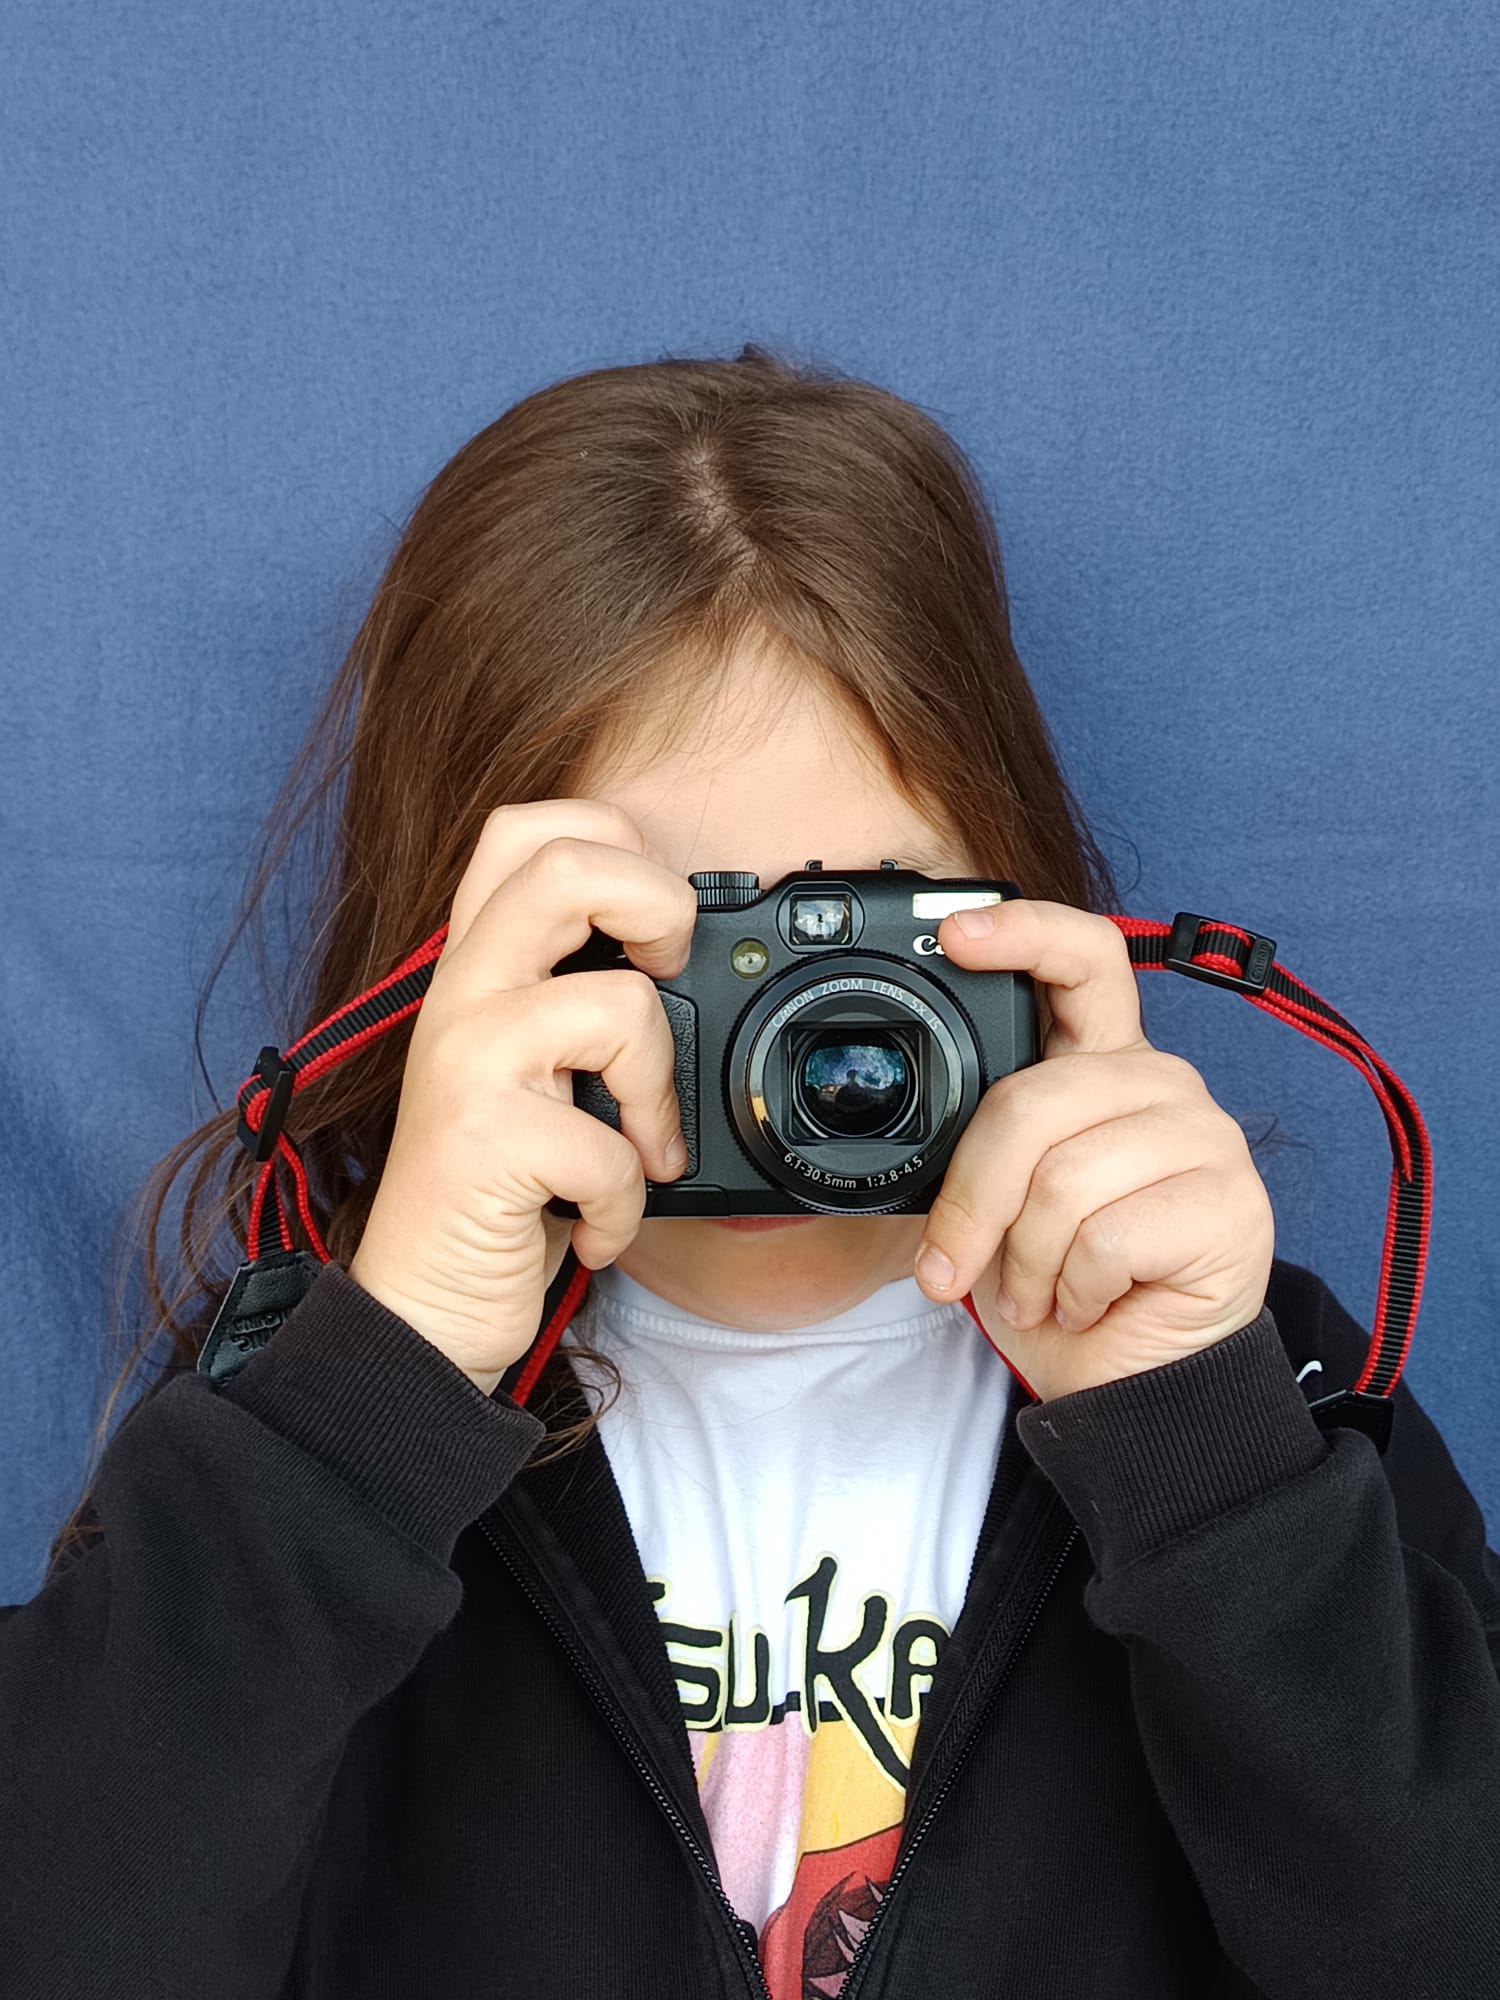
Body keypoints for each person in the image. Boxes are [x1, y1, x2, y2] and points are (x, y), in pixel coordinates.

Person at [3, 344, 1497, 2000]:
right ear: (460, 969)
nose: (804, 1041)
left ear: (1031, 912)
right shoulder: (311, 1422)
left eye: (868, 924)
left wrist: (1203, 1459)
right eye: (686, 933)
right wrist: (373, 1400)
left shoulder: (1234, 1387)